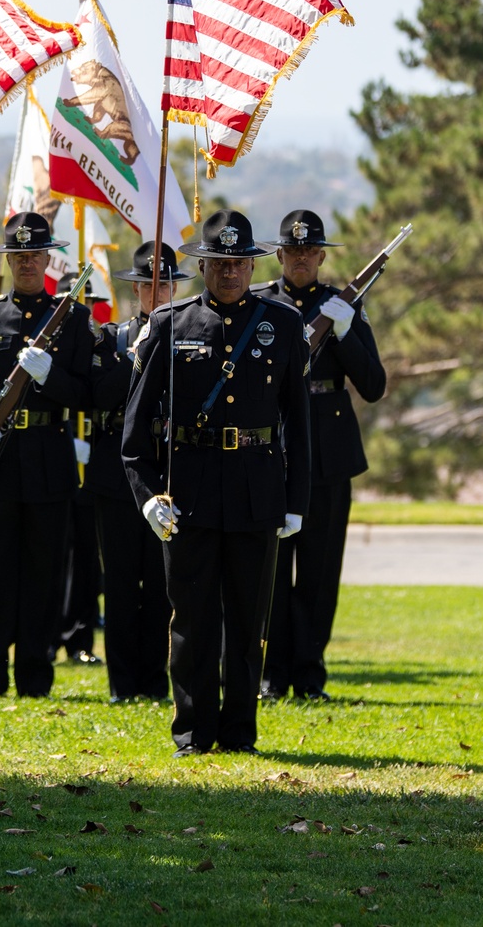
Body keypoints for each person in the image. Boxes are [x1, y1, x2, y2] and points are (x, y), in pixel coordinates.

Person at [123, 210, 311, 757]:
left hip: (257, 493)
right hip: (190, 493)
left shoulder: (282, 324)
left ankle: (239, 734)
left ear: (253, 266)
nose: (230, 273)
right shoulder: (170, 324)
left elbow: (298, 425)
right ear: (202, 266)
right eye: (220, 263)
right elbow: (134, 433)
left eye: (240, 263)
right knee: (192, 623)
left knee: (249, 623)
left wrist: (294, 500)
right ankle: (192, 732)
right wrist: (148, 497)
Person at [0, 212, 94, 699]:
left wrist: (53, 376)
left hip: (49, 459)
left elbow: (90, 395)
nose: (28, 262)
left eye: (35, 254)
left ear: (50, 258)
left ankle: (34, 678)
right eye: (19, 255)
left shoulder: (74, 320)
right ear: (9, 261)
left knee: (44, 574)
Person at [254, 209, 386, 701]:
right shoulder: (262, 303)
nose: (301, 259)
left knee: (319, 569)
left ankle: (309, 675)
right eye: (293, 251)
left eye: (311, 252)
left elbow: (373, 385)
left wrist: (347, 333)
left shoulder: (342, 306)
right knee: (271, 570)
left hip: (328, 451)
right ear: (280, 255)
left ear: (323, 256)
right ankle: (272, 674)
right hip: (276, 449)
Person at [90, 241, 191, 702]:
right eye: (148, 285)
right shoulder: (112, 338)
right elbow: (99, 397)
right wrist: (135, 356)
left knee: (162, 583)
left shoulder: (189, 336)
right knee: (121, 582)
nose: (158, 293)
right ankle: (121, 684)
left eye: (166, 284)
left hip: (168, 470)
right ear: (136, 290)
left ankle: (155, 681)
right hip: (118, 472)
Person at [54, 273, 104, 670]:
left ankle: (81, 637)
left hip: (91, 466)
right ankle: (50, 633)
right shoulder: (49, 341)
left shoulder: (98, 339)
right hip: (55, 458)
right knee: (54, 557)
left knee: (87, 559)